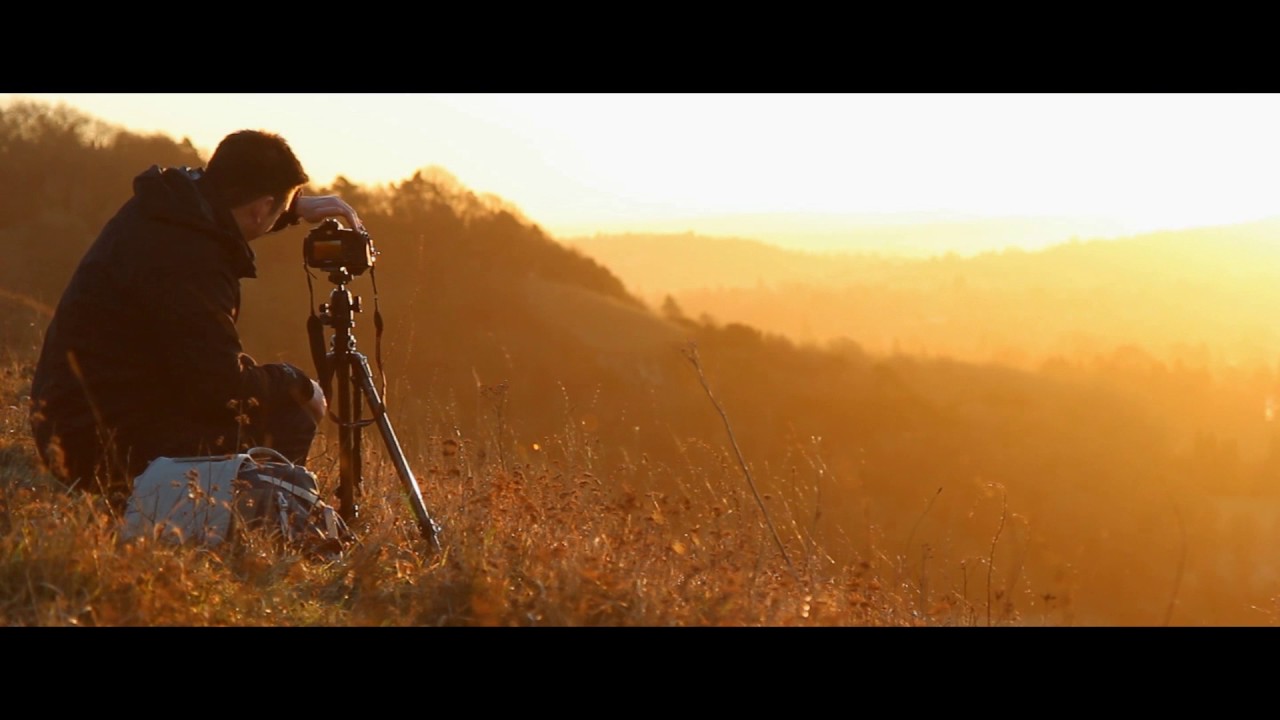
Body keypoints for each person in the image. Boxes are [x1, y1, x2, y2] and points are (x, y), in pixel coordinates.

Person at [28, 129, 362, 507]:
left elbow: (237, 210)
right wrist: (297, 383)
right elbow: (221, 389)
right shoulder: (195, 260)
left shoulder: (169, 208)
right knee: (289, 410)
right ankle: (239, 520)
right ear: (260, 207)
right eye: (275, 209)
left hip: (73, 418)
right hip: (100, 444)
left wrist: (292, 207)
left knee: (262, 396)